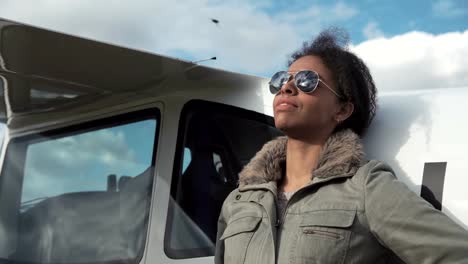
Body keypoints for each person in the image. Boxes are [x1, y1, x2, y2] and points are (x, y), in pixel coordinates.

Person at [214, 28, 468, 264]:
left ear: (342, 109)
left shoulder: (365, 188)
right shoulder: (238, 200)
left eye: (306, 81)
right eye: (282, 79)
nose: (287, 88)